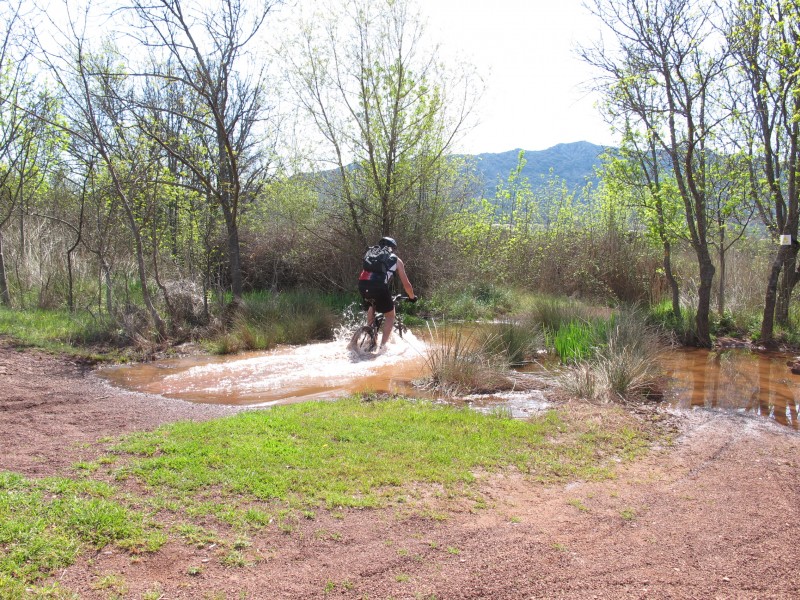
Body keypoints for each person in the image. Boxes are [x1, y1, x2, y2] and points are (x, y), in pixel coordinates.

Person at [358, 236, 416, 349]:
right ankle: (382, 347)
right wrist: (412, 297)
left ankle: (370, 336)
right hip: (379, 286)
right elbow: (407, 285)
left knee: (371, 306)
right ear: (393, 248)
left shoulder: (371, 255)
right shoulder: (396, 259)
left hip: (362, 285)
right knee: (390, 315)